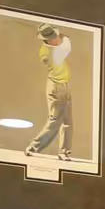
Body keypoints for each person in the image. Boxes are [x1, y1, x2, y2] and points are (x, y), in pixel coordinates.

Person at [25, 23, 73, 160]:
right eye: (53, 38)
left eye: (56, 36)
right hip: (57, 87)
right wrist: (61, 40)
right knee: (55, 120)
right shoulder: (48, 53)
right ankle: (33, 147)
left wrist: (60, 38)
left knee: (68, 122)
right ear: (47, 40)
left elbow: (65, 41)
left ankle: (65, 152)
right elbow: (66, 44)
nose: (56, 38)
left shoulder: (59, 45)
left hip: (65, 85)